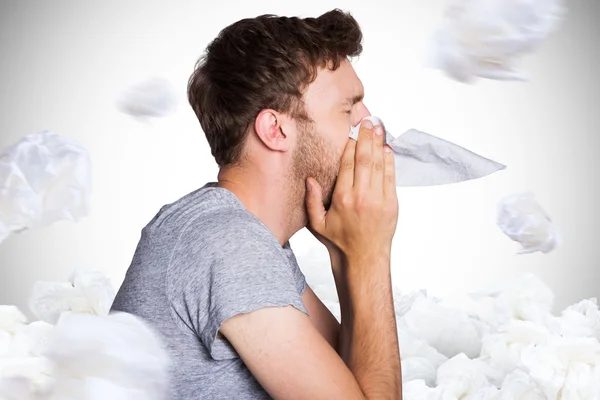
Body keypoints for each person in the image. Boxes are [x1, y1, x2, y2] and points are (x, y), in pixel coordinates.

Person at [110, 8, 402, 400]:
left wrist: (346, 254)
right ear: (275, 129)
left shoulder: (248, 238)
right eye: (348, 109)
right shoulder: (227, 242)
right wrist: (371, 256)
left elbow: (351, 377)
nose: (369, 125)